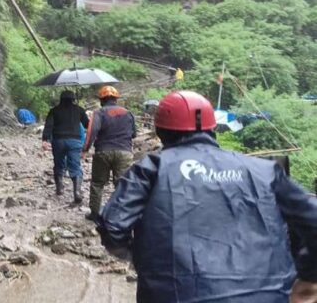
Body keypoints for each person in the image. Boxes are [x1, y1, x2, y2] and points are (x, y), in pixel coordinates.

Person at [97, 91, 317, 303]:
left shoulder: (151, 169)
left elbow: (113, 227)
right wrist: (306, 275)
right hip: (268, 294)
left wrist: (143, 260)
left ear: (160, 131)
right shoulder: (265, 171)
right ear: (213, 128)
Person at [83, 85, 136, 220]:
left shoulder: (99, 113)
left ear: (102, 100)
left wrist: (85, 149)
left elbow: (91, 132)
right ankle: (121, 214)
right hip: (124, 152)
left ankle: (95, 214)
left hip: (103, 152)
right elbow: (134, 134)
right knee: (122, 183)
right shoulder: (128, 113)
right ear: (116, 99)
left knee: (97, 183)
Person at [42, 90, 89, 203]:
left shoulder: (54, 110)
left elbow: (49, 125)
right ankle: (77, 192)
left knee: (59, 163)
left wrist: (45, 139)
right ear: (73, 99)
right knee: (75, 166)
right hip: (75, 141)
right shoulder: (79, 110)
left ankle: (59, 188)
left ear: (61, 99)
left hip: (58, 141)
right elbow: (87, 124)